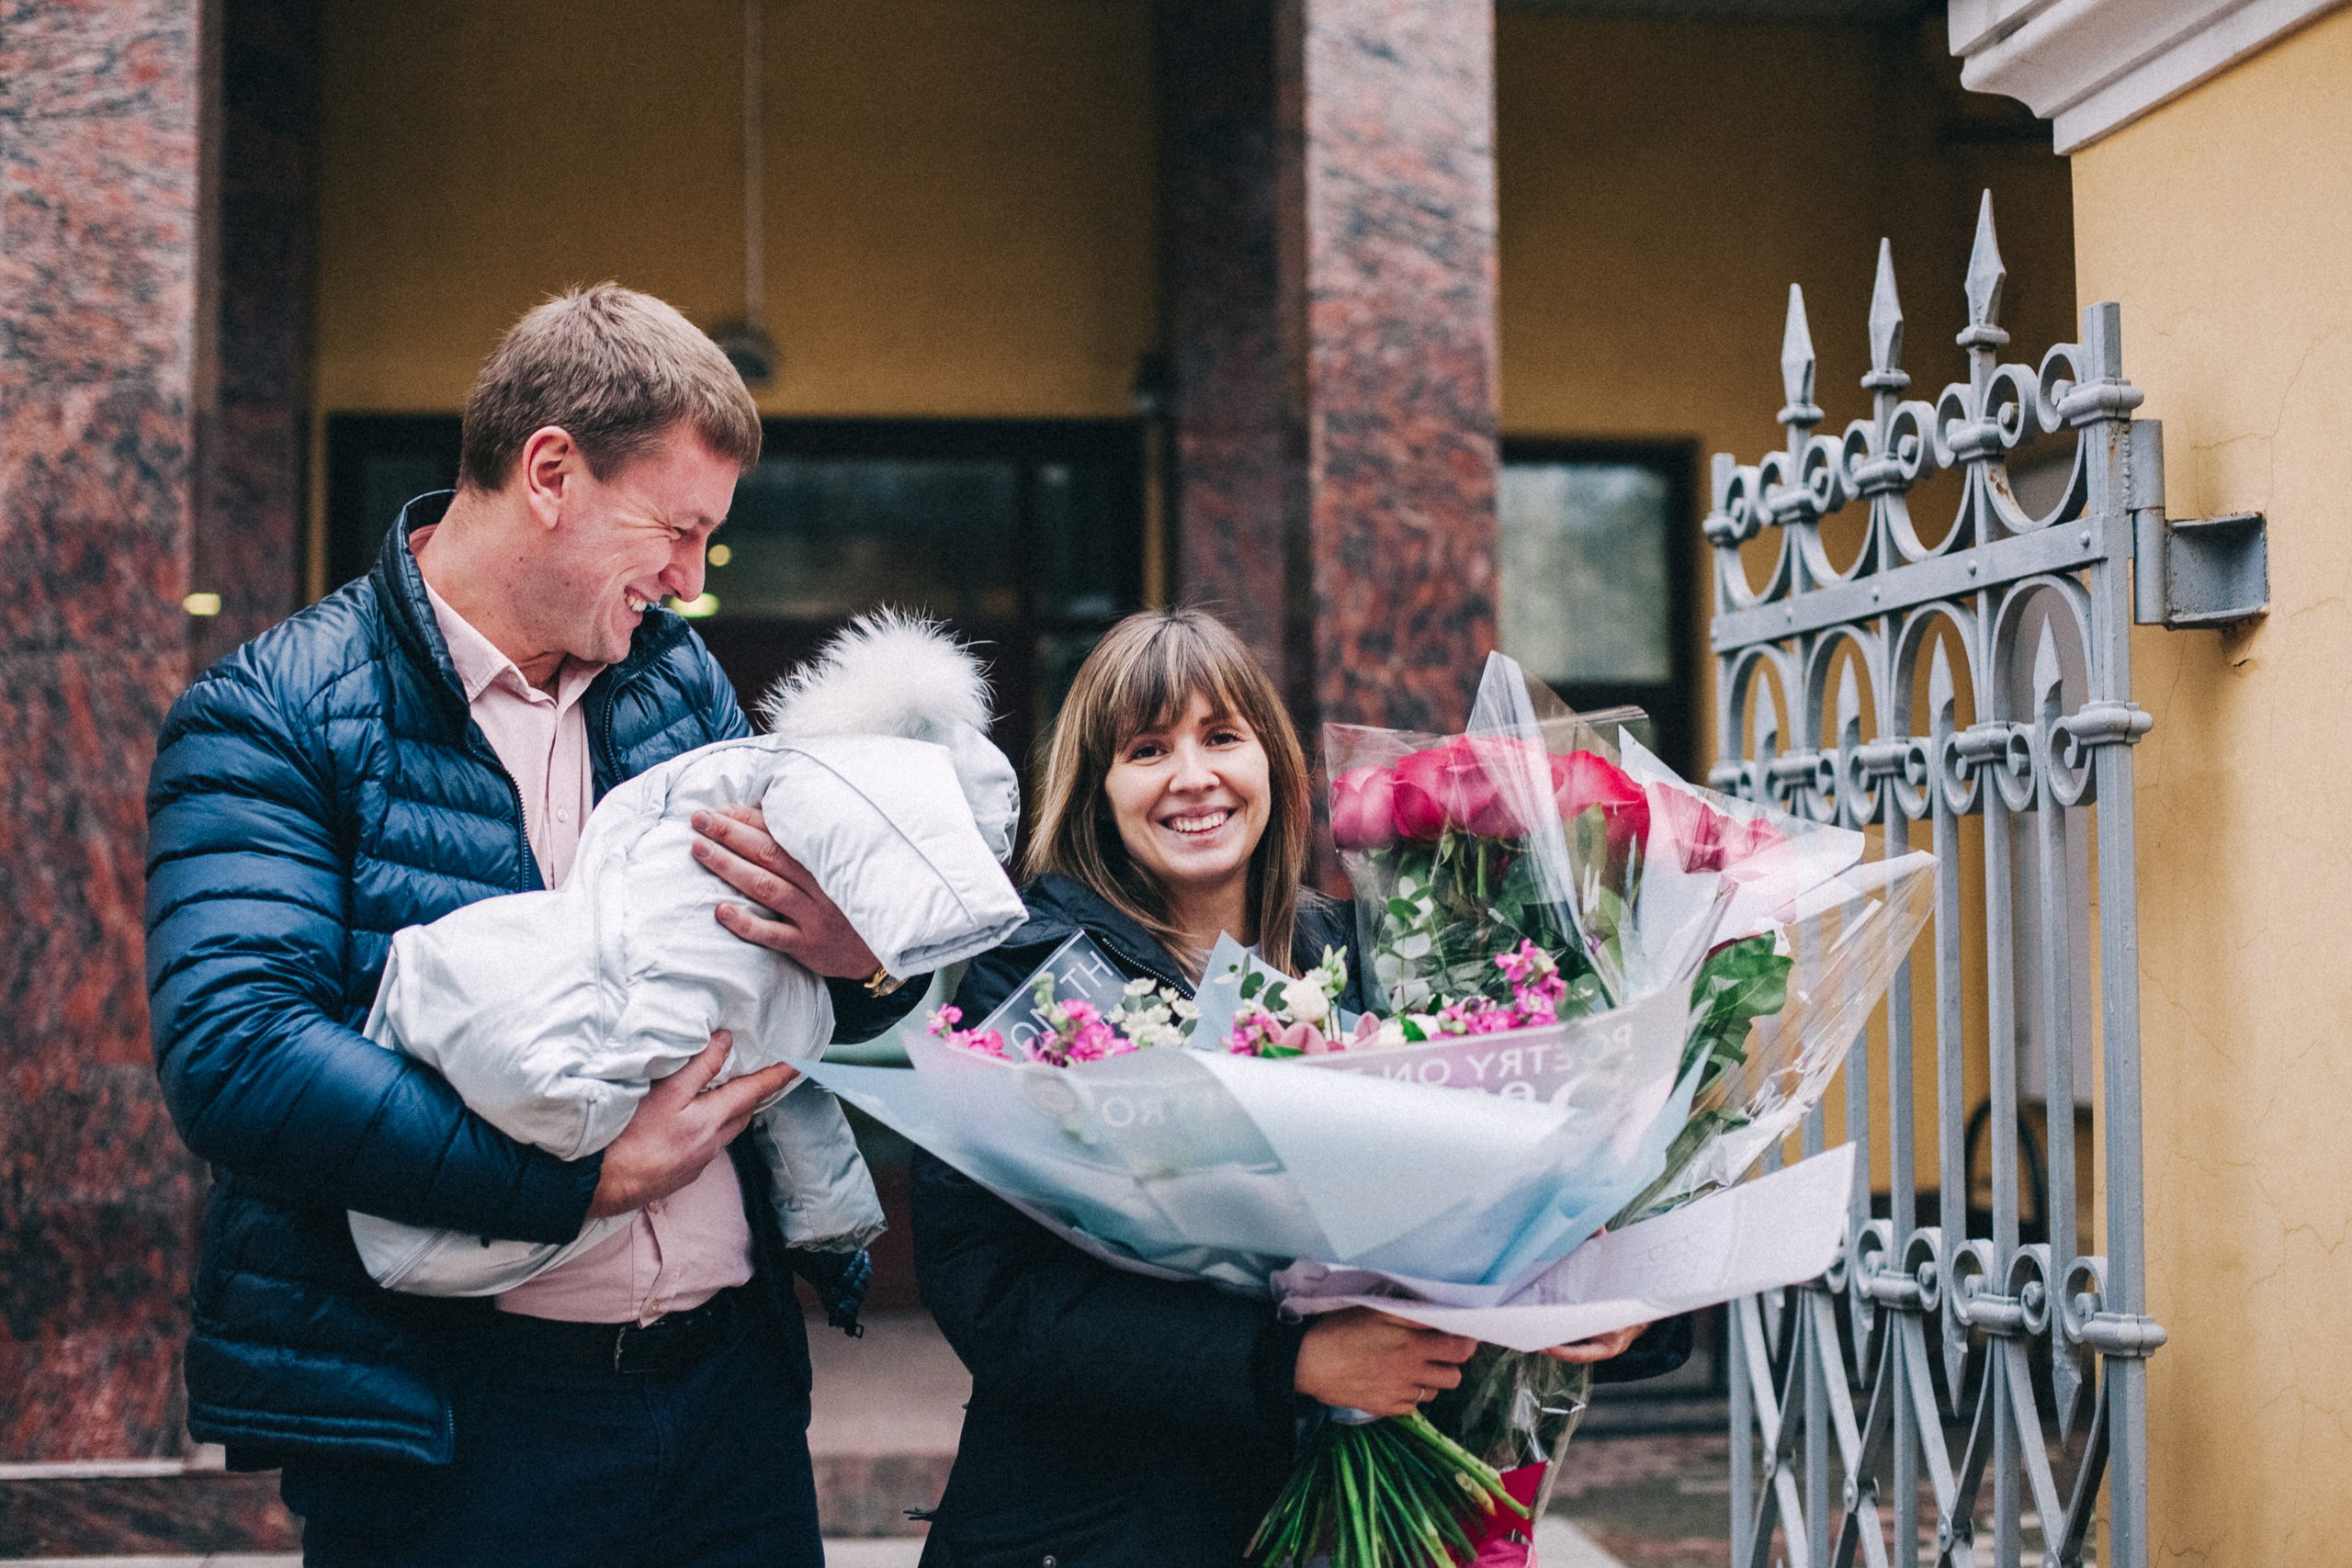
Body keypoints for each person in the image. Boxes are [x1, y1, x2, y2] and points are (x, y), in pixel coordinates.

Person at [145, 284, 922, 1568]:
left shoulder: (679, 681)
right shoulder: (273, 712)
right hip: (461, 1419)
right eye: (677, 529)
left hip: (730, 1396)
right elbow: (239, 1052)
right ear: (550, 468)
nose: (689, 576)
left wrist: (863, 956)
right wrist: (576, 1183)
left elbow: (787, 975)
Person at [910, 609, 1691, 1567]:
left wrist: (1605, 1295)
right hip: (1100, 1526)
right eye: (1146, 749)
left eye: (1222, 737)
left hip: (1351, 1528)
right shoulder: (1030, 987)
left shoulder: (1380, 961)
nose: (1191, 776)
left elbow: (1506, 1204)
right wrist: (1291, 1362)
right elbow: (997, 1298)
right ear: (1098, 789)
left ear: (1272, 764)